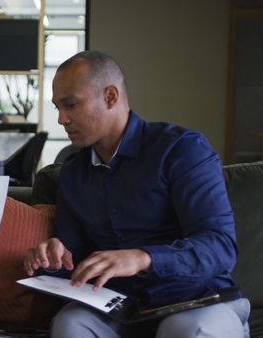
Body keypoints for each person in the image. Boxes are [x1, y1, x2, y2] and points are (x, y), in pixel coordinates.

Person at [23, 51, 250, 338]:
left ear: (110, 97)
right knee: (70, 324)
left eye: (70, 105)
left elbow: (220, 247)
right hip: (118, 307)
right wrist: (51, 257)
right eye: (57, 107)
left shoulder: (182, 150)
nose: (61, 119)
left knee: (185, 330)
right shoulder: (72, 173)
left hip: (199, 301)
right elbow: (75, 263)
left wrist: (143, 258)